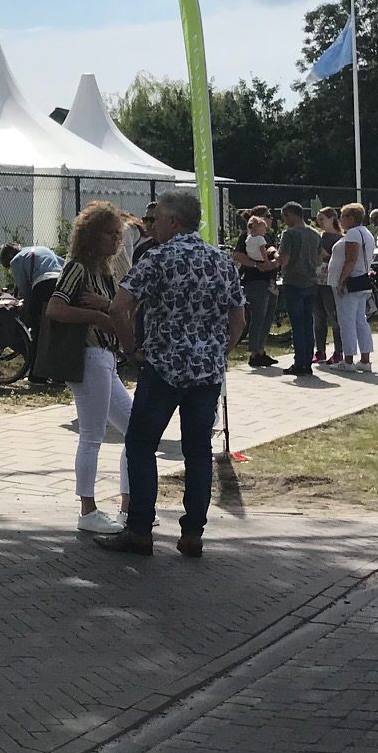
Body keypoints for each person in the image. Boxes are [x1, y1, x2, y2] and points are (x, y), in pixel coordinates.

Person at [94, 189, 245, 558]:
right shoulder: (220, 260)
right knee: (198, 451)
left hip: (162, 366)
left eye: (156, 219)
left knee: (141, 445)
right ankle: (193, 532)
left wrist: (131, 349)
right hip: (205, 374)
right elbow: (238, 318)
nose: (151, 225)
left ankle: (140, 529)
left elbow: (119, 306)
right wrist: (218, 351)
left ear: (173, 222)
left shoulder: (158, 259)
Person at [42, 202, 132, 534]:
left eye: (117, 234)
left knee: (135, 430)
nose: (114, 241)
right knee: (92, 434)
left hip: (106, 358)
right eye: (108, 234)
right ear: (91, 236)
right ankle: (88, 509)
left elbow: (118, 315)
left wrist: (106, 311)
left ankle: (128, 504)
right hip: (90, 355)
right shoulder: (78, 268)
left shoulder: (105, 274)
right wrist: (95, 316)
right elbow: (55, 308)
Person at [276, 203, 321, 378]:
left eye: (285, 216)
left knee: (297, 324)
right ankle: (308, 361)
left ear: (293, 215)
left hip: (293, 282)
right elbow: (318, 260)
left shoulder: (290, 234)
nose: (284, 221)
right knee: (307, 322)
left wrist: (274, 255)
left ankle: (299, 362)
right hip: (311, 281)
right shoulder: (315, 234)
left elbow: (284, 260)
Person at [330, 201, 378, 368]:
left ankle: (348, 359)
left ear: (351, 218)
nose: (341, 220)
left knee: (347, 321)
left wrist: (342, 281)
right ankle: (365, 358)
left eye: (342, 216)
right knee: (360, 320)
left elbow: (351, 259)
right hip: (362, 280)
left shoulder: (352, 234)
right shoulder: (366, 233)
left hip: (351, 281)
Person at [233, 213, 280, 367]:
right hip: (255, 280)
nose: (271, 219)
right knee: (258, 315)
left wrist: (274, 261)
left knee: (268, 315)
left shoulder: (266, 236)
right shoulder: (247, 237)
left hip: (270, 280)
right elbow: (238, 255)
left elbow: (271, 251)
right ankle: (254, 352)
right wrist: (257, 265)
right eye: (268, 216)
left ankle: (261, 349)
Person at [313, 206, 343, 364]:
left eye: (322, 219)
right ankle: (320, 350)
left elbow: (340, 259)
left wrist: (327, 256)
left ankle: (339, 351)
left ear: (332, 218)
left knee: (334, 316)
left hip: (330, 281)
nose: (319, 222)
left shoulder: (339, 238)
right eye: (318, 219)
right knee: (318, 317)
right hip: (316, 279)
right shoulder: (319, 236)